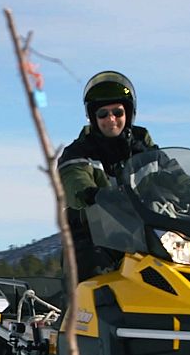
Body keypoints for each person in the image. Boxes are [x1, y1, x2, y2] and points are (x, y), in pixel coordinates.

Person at [57, 71, 158, 281]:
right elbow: (75, 180)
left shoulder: (145, 149)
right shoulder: (77, 152)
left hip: (145, 234)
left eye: (117, 112)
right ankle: (78, 312)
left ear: (128, 114)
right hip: (93, 236)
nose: (111, 119)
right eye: (103, 114)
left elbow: (175, 176)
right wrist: (91, 194)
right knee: (93, 276)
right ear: (93, 118)